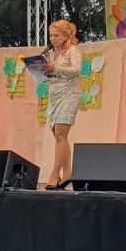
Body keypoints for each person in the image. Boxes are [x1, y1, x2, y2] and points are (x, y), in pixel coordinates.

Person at [42, 19, 82, 189]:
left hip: (70, 94)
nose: (52, 38)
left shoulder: (73, 50)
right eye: (51, 35)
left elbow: (77, 70)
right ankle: (68, 173)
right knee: (59, 136)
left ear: (66, 36)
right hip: (55, 95)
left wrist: (56, 69)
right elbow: (52, 74)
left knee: (60, 135)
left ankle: (54, 175)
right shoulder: (51, 53)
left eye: (56, 35)